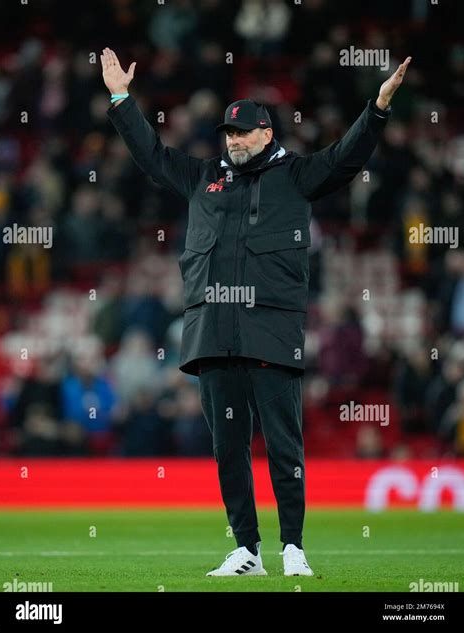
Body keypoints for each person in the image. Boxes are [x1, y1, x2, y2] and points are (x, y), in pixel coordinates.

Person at [101, 47, 411, 576]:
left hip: (271, 329)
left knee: (284, 442)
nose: (234, 140)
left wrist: (377, 108)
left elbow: (346, 158)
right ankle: (247, 549)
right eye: (228, 133)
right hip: (212, 332)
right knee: (227, 446)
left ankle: (293, 548)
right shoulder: (201, 177)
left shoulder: (296, 176)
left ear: (267, 135)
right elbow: (150, 154)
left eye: (243, 133)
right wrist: (122, 98)